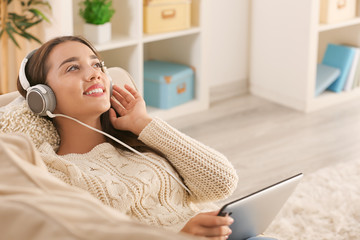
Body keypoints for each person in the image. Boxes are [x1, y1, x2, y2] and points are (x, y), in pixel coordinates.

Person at [14, 35, 276, 240]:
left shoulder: (137, 140)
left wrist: (144, 123)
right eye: (72, 68)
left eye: (96, 64)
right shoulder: (53, 173)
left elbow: (221, 183)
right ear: (43, 97)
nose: (94, 73)